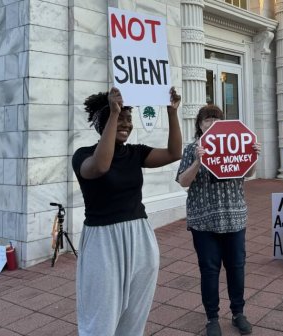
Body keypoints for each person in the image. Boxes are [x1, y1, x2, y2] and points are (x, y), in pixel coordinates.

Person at [72, 87, 182, 335]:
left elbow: (174, 153)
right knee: (101, 314)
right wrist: (113, 112)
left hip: (139, 235)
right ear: (104, 121)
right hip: (102, 240)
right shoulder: (83, 155)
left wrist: (172, 112)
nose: (126, 123)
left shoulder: (135, 153)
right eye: (120, 117)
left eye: (128, 119)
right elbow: (100, 167)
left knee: (135, 314)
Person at [176, 105, 261, 336]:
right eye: (207, 119)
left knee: (236, 267)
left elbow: (249, 172)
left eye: (216, 118)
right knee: (209, 270)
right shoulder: (192, 149)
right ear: (199, 124)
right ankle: (212, 318)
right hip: (203, 221)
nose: (211, 122)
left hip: (234, 217)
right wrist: (198, 162)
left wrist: (254, 155)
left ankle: (238, 313)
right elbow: (183, 181)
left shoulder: (237, 143)